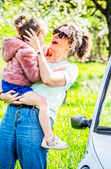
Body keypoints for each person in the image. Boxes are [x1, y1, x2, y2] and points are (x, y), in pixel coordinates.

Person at [0, 20, 91, 168]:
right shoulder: (32, 55)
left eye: (62, 34)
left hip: (36, 120)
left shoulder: (70, 68)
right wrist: (2, 95)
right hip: (11, 114)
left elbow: (48, 79)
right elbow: (10, 75)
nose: (56, 35)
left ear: (70, 45)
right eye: (56, 31)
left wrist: (38, 52)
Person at [0, 14, 67, 150]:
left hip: (9, 84)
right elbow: (34, 77)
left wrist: (41, 50)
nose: (45, 40)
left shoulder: (19, 45)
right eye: (43, 36)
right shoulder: (27, 52)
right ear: (35, 36)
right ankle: (49, 138)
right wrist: (55, 70)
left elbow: (39, 50)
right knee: (44, 103)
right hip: (17, 87)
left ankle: (49, 138)